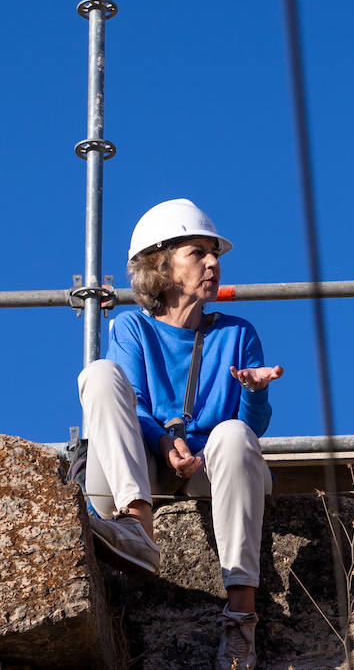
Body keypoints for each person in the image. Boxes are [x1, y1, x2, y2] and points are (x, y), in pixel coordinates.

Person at [78, 199, 283, 670]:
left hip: (210, 468)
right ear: (161, 265)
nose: (214, 263)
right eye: (198, 253)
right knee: (100, 375)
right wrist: (165, 442)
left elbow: (249, 435)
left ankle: (240, 619)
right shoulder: (130, 327)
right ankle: (138, 528)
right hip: (142, 468)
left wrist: (253, 394)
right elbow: (134, 406)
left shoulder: (238, 332)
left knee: (231, 433)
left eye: (216, 254)